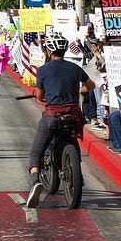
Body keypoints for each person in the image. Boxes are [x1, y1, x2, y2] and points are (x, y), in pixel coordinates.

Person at [26, 33, 93, 209]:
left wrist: (42, 97)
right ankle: (77, 173)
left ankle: (35, 182)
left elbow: (40, 96)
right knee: (72, 140)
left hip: (52, 116)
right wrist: (78, 91)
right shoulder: (75, 68)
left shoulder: (43, 70)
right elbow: (90, 86)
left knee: (36, 152)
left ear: (49, 51)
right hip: (73, 115)